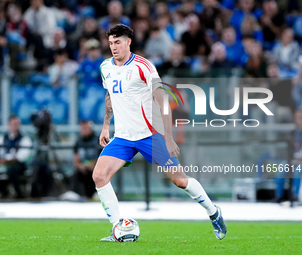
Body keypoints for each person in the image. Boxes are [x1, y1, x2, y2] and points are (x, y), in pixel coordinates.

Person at [94, 24, 227, 242]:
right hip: (123, 137)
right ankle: (117, 228)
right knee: (99, 176)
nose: (113, 47)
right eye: (110, 43)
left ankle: (213, 212)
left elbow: (163, 101)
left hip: (149, 134)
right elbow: (110, 97)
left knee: (180, 181)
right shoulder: (105, 67)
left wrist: (169, 138)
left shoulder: (143, 66)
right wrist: (106, 126)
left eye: (117, 42)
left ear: (128, 42)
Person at [0, 115, 32, 198]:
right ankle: (2, 192)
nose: (15, 126)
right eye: (13, 124)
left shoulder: (25, 138)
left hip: (17, 164)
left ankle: (18, 193)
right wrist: (0, 160)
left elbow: (21, 156)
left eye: (17, 124)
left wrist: (7, 161)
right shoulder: (2, 137)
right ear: (9, 125)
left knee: (12, 170)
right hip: (3, 163)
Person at [73, 120, 101, 200]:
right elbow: (75, 158)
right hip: (83, 169)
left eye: (86, 128)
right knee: (77, 174)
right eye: (82, 128)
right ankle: (75, 193)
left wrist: (94, 164)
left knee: (97, 173)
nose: (84, 130)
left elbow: (103, 157)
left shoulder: (97, 140)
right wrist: (80, 165)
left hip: (95, 168)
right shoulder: (78, 142)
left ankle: (98, 193)